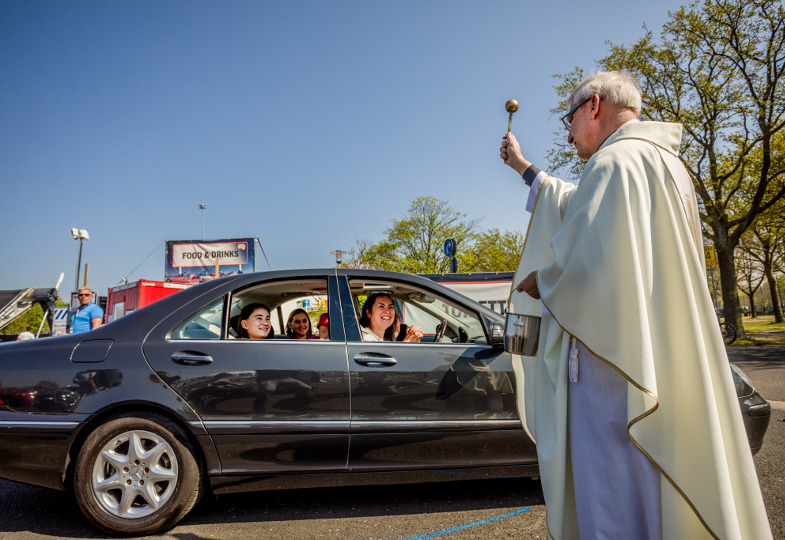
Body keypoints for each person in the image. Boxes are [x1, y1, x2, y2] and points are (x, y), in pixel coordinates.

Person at [500, 71, 771, 540]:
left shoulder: (613, 164)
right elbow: (581, 209)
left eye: (569, 118)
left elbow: (589, 263)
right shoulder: (663, 163)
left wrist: (544, 279)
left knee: (612, 488)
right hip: (659, 349)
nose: (567, 133)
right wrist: (524, 167)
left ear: (594, 106)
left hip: (614, 365)